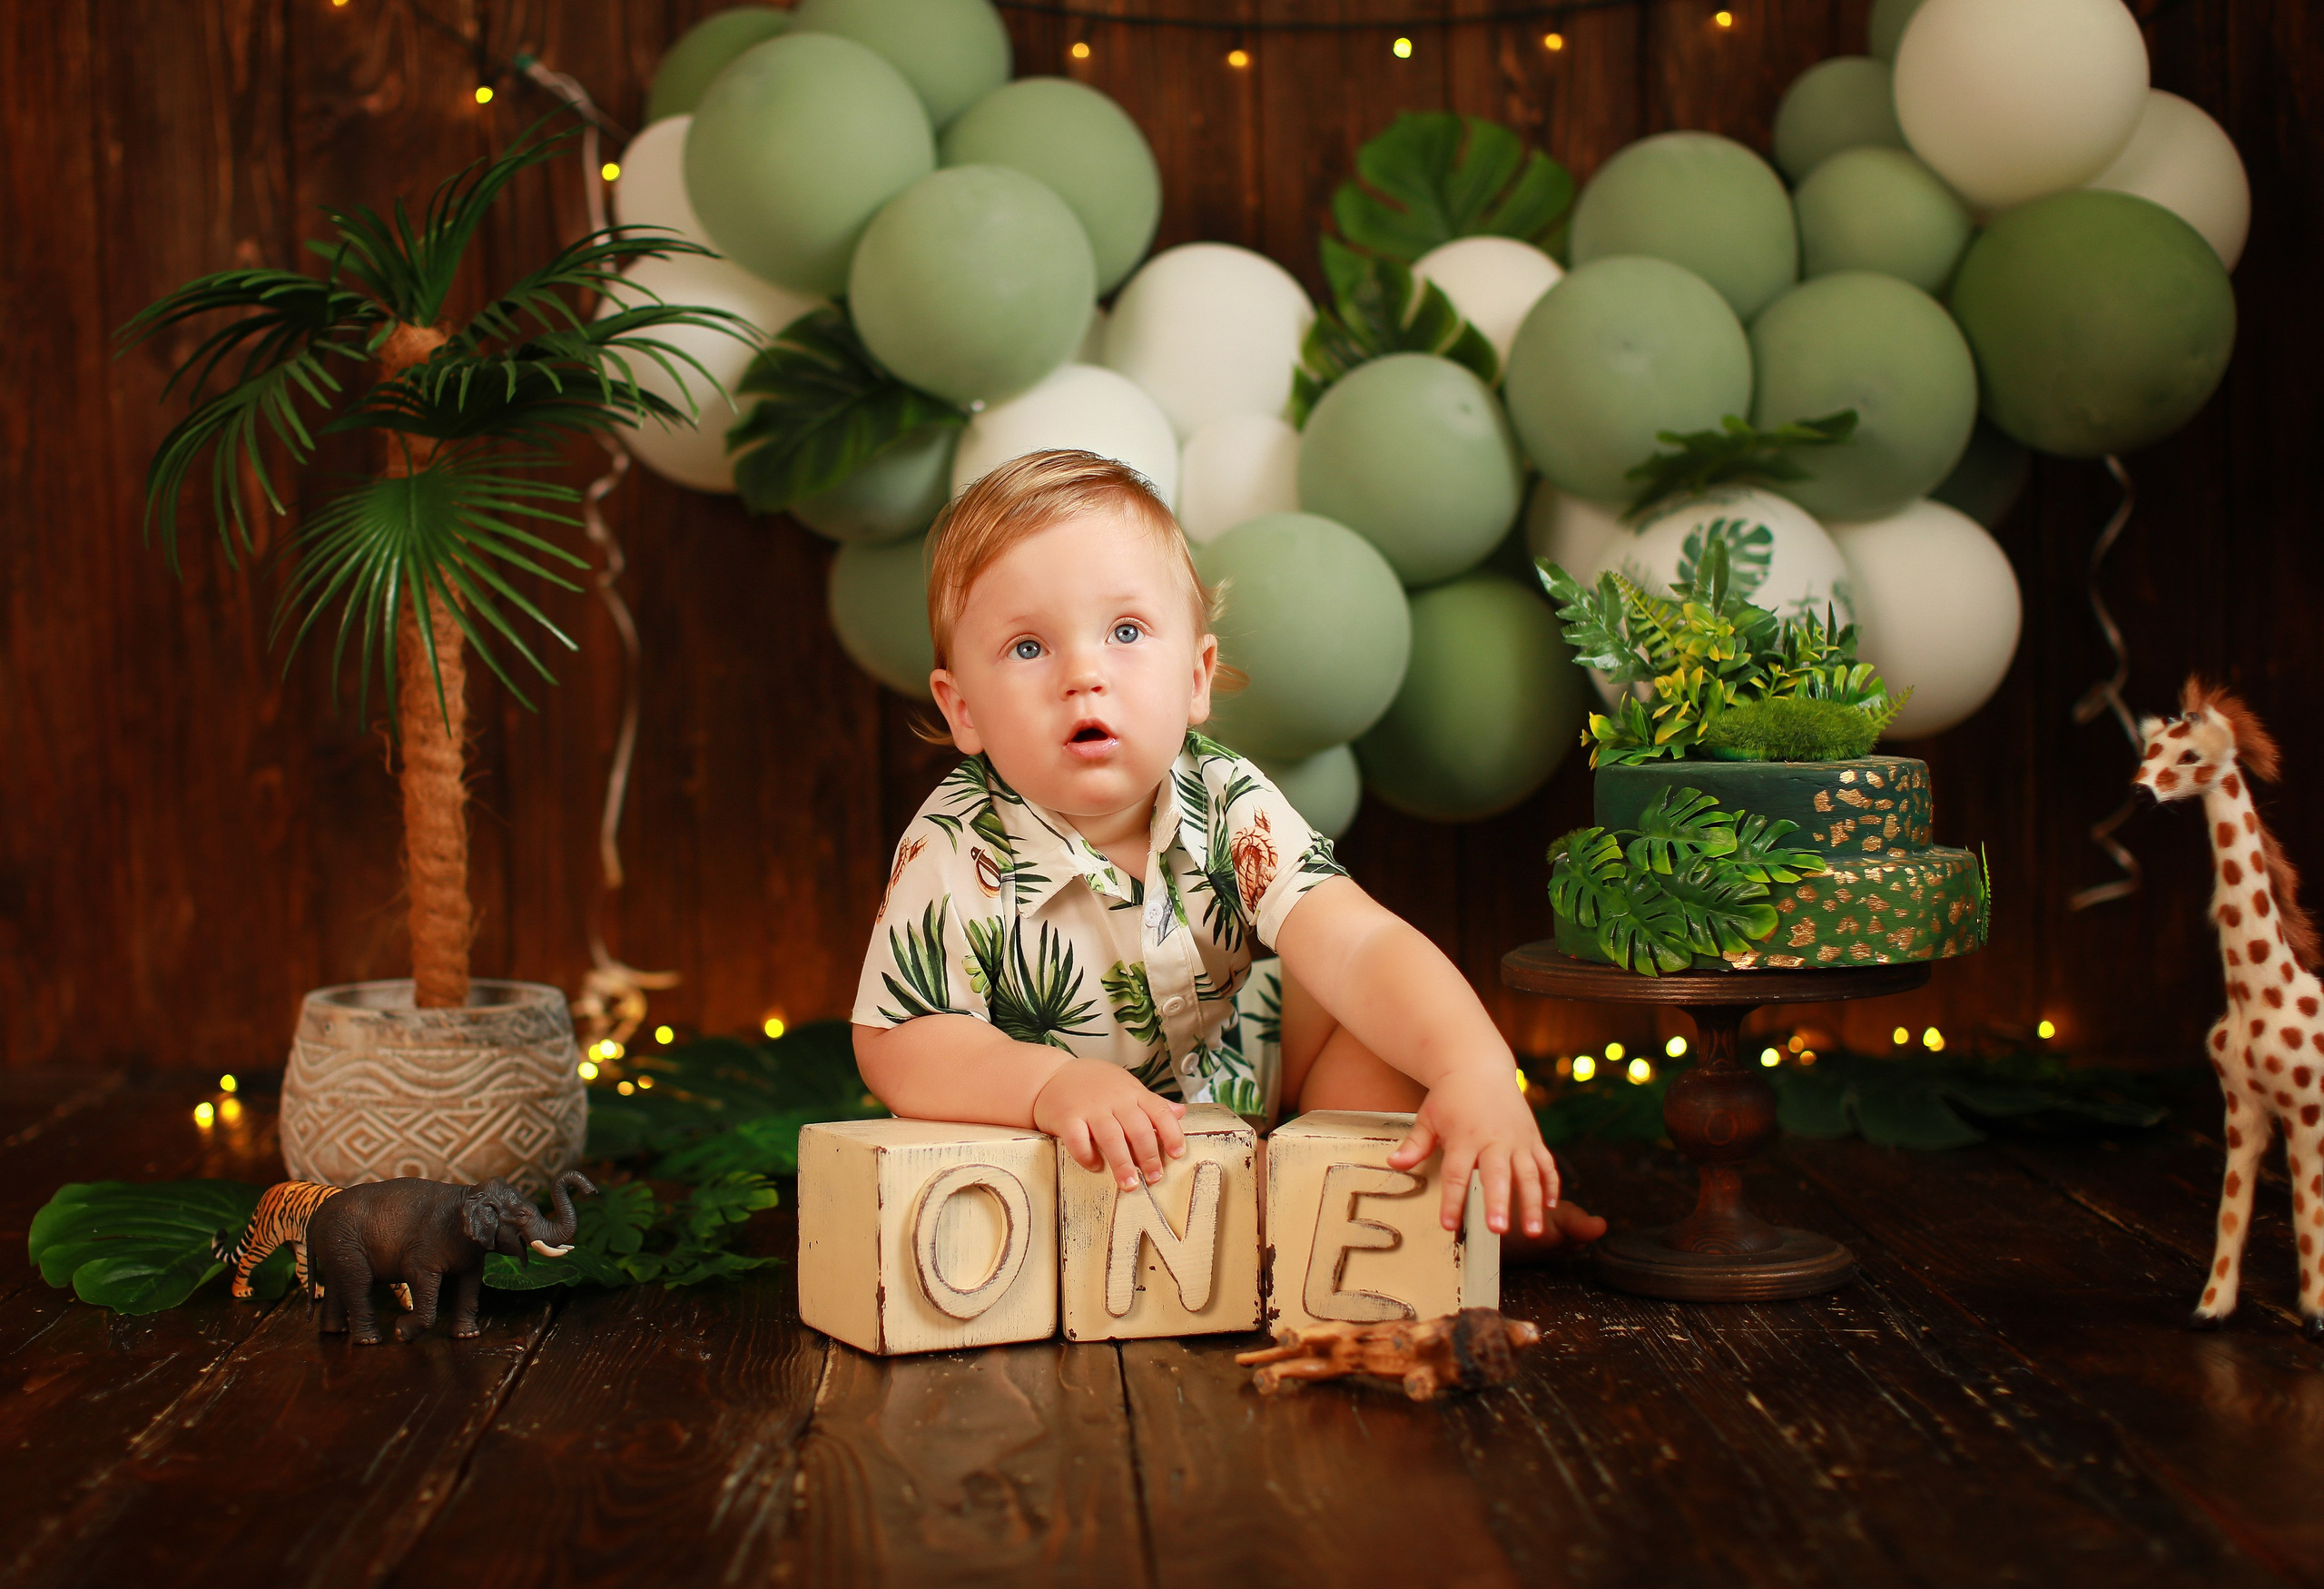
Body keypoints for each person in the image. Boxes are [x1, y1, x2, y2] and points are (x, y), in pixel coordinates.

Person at [852, 450, 1603, 1248]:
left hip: (1259, 1083)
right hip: (1071, 1152)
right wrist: (1050, 1084)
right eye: (1028, 647)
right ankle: (1317, 1221)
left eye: (1126, 631)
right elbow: (897, 1039)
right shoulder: (957, 844)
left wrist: (1474, 1068)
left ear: (1196, 678)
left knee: (1365, 1019)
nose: (1084, 674)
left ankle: (1465, 1210)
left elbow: (1360, 943)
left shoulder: (1225, 797)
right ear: (963, 708)